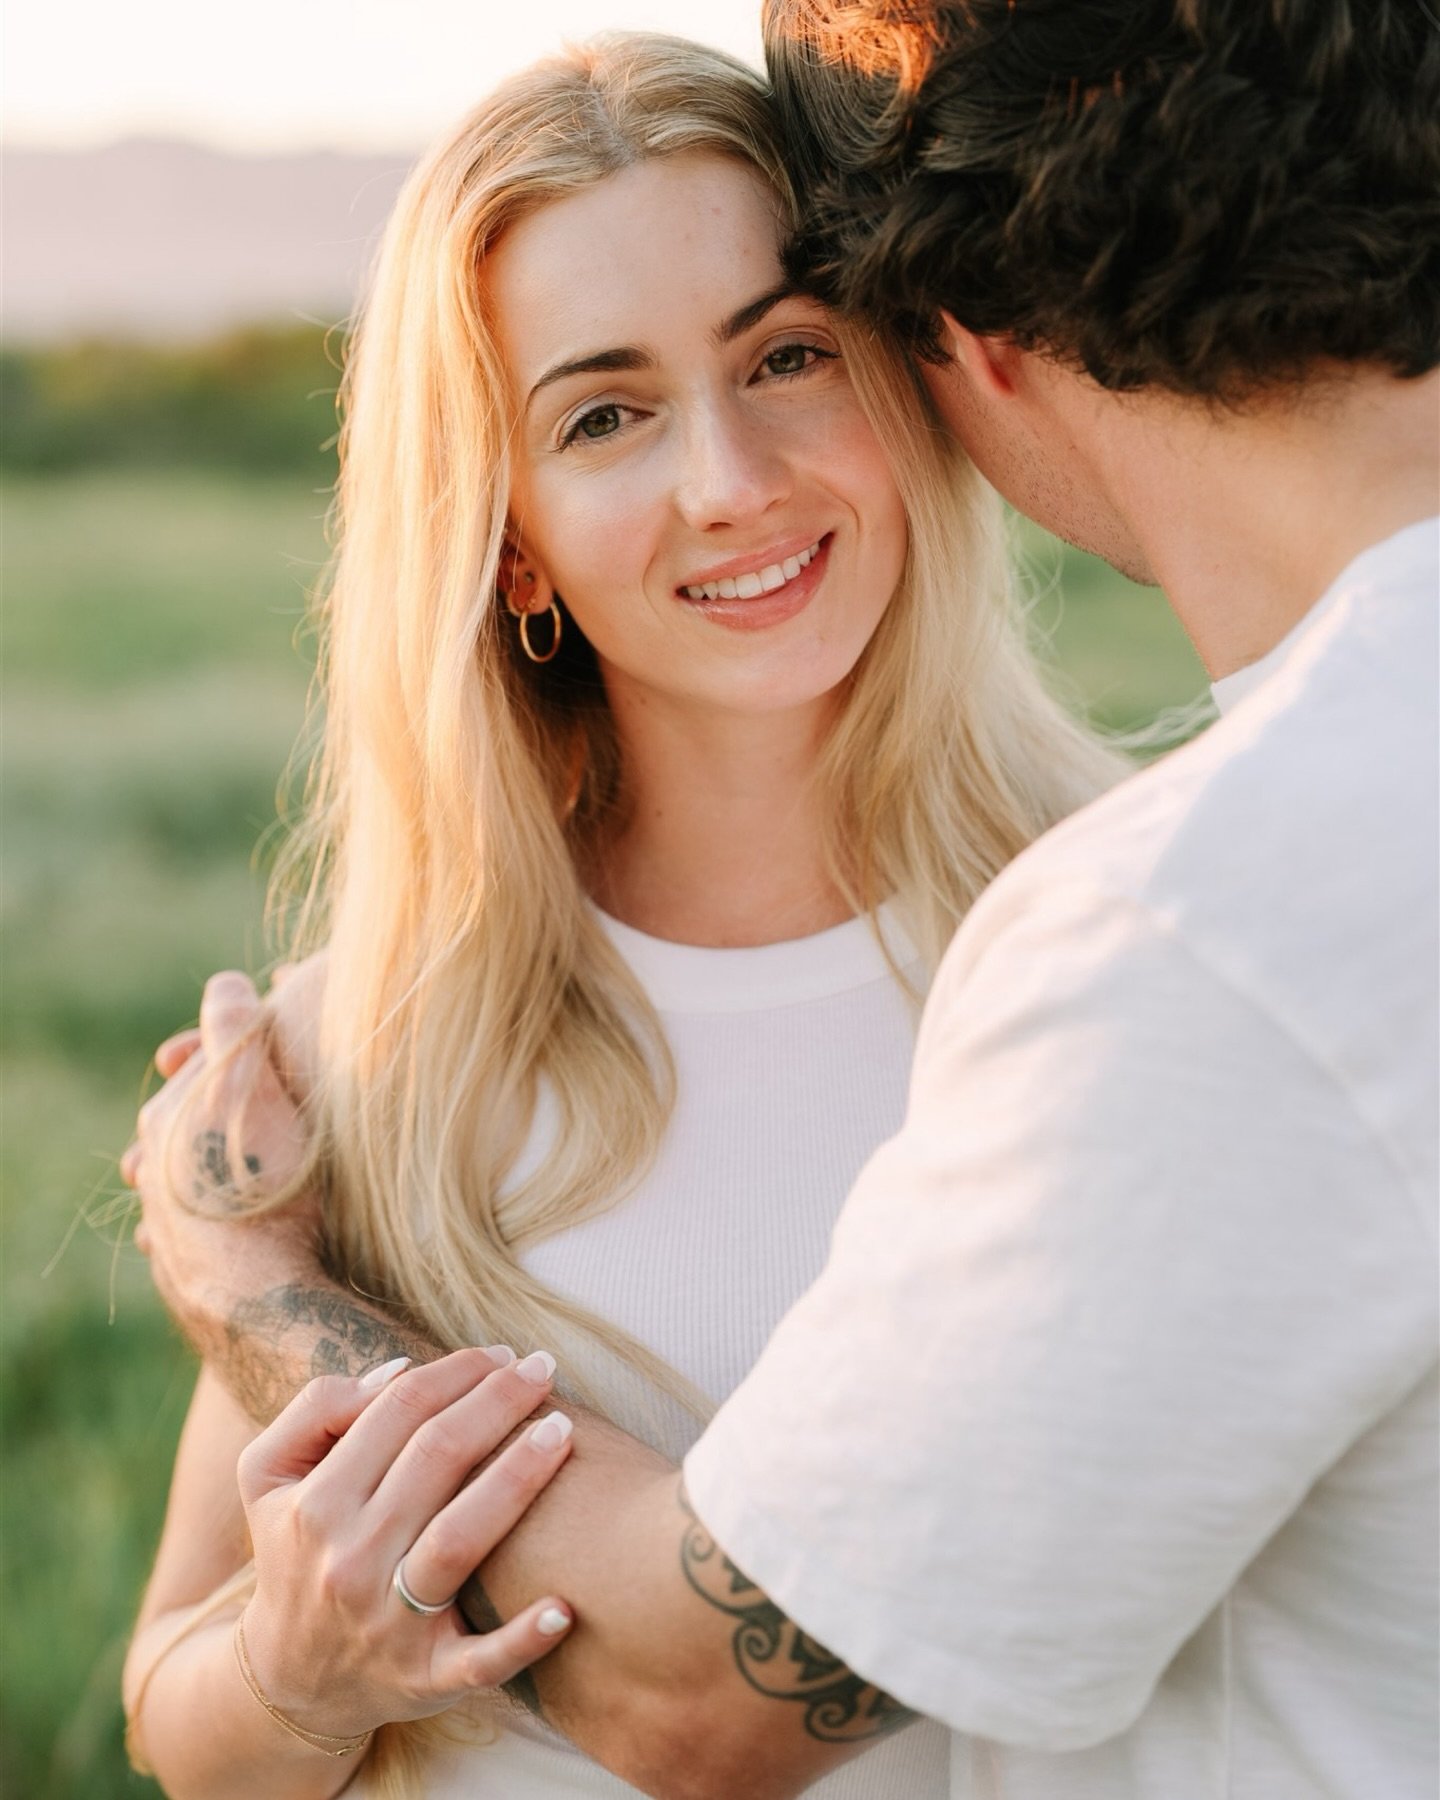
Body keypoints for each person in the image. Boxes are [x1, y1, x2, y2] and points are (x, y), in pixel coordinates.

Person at [129, 4, 1438, 1797]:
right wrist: (297, 1673)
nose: (728, 485)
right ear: (505, 529)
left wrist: (253, 1293)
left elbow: (707, 1697)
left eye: (789, 357)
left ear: (920, 369)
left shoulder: (1127, 950)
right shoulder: (363, 1044)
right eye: (605, 412)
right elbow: (174, 1700)